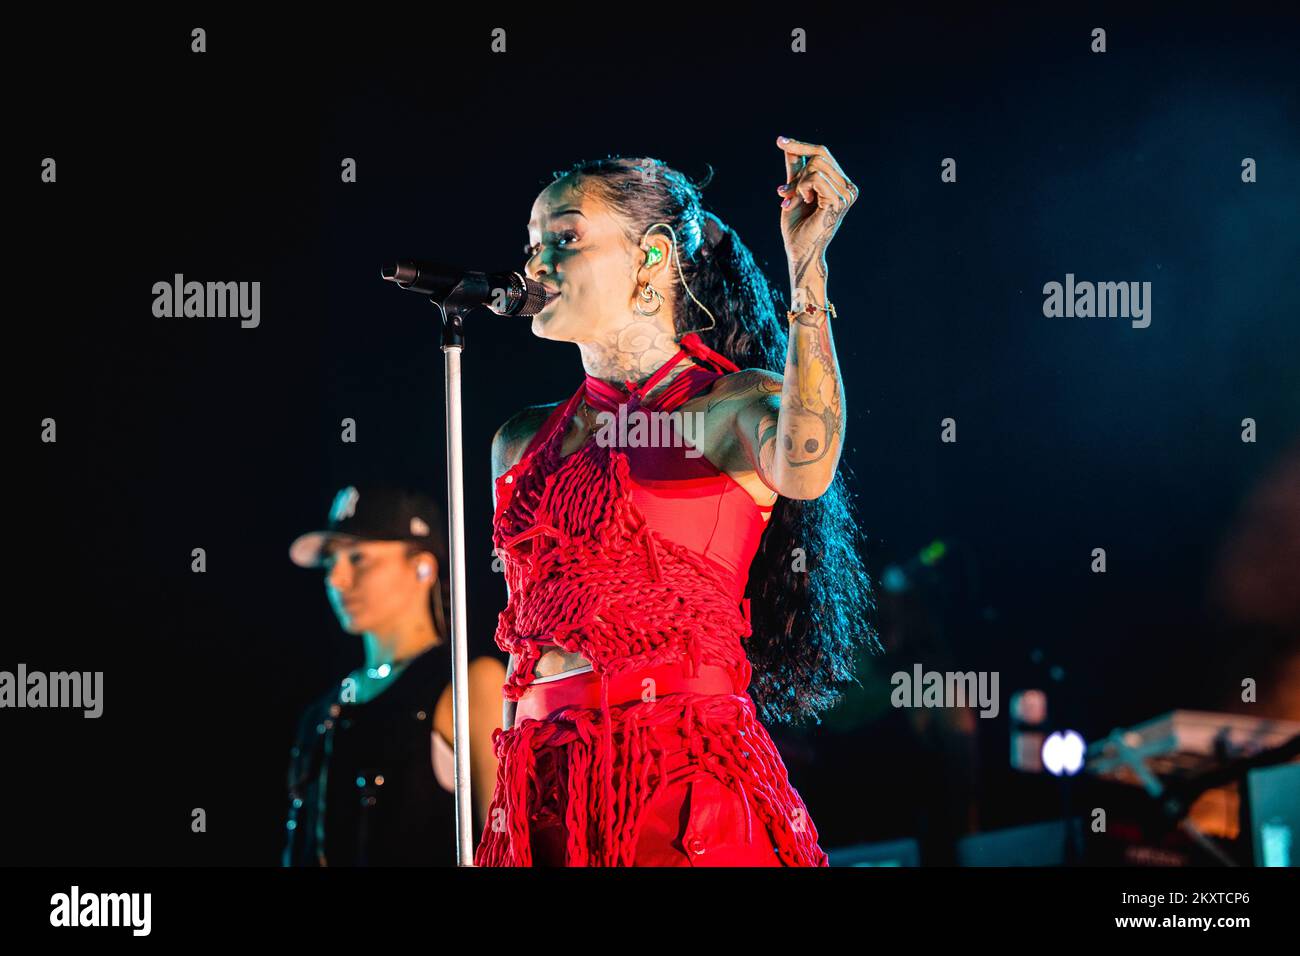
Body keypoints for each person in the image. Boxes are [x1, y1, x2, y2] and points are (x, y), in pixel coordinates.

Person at [475, 139, 879, 866]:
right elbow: (523, 654)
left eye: (563, 238)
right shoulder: (521, 443)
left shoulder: (731, 404)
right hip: (542, 794)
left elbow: (808, 466)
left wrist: (807, 266)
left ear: (654, 258)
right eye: (533, 244)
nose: (535, 265)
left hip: (680, 782)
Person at [283, 483, 504, 865]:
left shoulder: (470, 686)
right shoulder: (322, 713)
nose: (336, 580)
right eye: (331, 562)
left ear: (422, 566)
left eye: (357, 558)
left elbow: (508, 846)